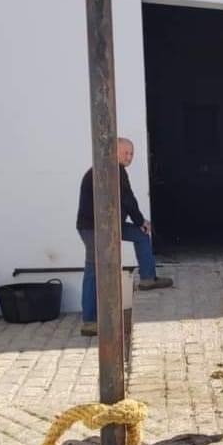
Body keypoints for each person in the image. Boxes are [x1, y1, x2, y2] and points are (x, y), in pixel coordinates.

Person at [76, 137, 172, 337]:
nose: (129, 157)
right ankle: (89, 321)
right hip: (93, 229)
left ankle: (147, 278)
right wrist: (140, 220)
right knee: (94, 269)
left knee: (141, 236)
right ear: (114, 152)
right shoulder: (113, 169)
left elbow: (126, 199)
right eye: (125, 153)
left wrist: (139, 223)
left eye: (131, 153)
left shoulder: (114, 169)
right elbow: (128, 199)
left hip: (110, 226)